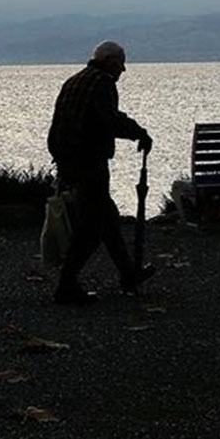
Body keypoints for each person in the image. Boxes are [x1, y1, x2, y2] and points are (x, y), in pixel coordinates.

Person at [47, 40, 156, 305]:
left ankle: (128, 274)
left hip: (68, 160)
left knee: (107, 219)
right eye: (120, 63)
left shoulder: (74, 80)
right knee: (92, 228)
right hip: (89, 162)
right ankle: (66, 284)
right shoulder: (102, 83)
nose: (123, 70)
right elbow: (110, 119)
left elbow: (59, 123)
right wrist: (139, 133)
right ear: (109, 61)